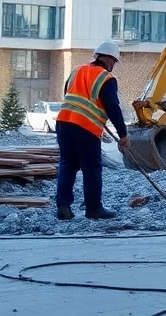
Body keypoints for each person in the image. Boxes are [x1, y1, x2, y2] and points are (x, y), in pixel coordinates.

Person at [55, 40, 132, 220]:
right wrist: (123, 134)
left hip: (63, 123)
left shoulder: (77, 70)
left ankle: (63, 206)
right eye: (114, 60)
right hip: (85, 129)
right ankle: (94, 208)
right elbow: (113, 107)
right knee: (92, 168)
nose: (114, 64)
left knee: (68, 164)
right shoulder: (105, 78)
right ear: (106, 58)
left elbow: (68, 92)